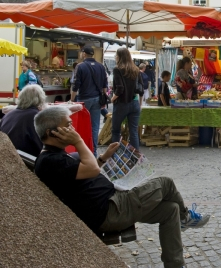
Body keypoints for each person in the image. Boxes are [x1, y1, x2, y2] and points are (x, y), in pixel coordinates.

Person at [33, 106, 210, 268]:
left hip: (113, 203)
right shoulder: (50, 162)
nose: (73, 129)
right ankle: (186, 217)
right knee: (165, 183)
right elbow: (91, 169)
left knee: (170, 210)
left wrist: (104, 157)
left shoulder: (55, 156)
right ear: (52, 132)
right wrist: (79, 141)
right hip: (110, 211)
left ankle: (175, 265)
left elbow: (86, 170)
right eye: (68, 125)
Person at [71, 46, 107, 156]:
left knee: (82, 127)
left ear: (84, 54)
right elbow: (104, 85)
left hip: (83, 100)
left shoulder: (80, 66)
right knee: (95, 127)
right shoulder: (101, 67)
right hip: (97, 99)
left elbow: (75, 86)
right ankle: (93, 152)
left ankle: (82, 153)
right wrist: (103, 97)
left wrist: (72, 100)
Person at [111, 48, 144, 150]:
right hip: (135, 103)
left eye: (116, 55)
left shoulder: (117, 69)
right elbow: (141, 88)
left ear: (119, 56)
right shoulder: (136, 69)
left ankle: (114, 154)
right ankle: (135, 156)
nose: (115, 57)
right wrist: (140, 104)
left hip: (122, 103)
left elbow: (120, 88)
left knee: (116, 131)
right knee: (133, 131)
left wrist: (112, 99)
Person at [1, 84, 45, 156]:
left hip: (7, 157)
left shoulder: (8, 115)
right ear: (41, 99)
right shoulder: (36, 116)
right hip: (27, 160)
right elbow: (41, 146)